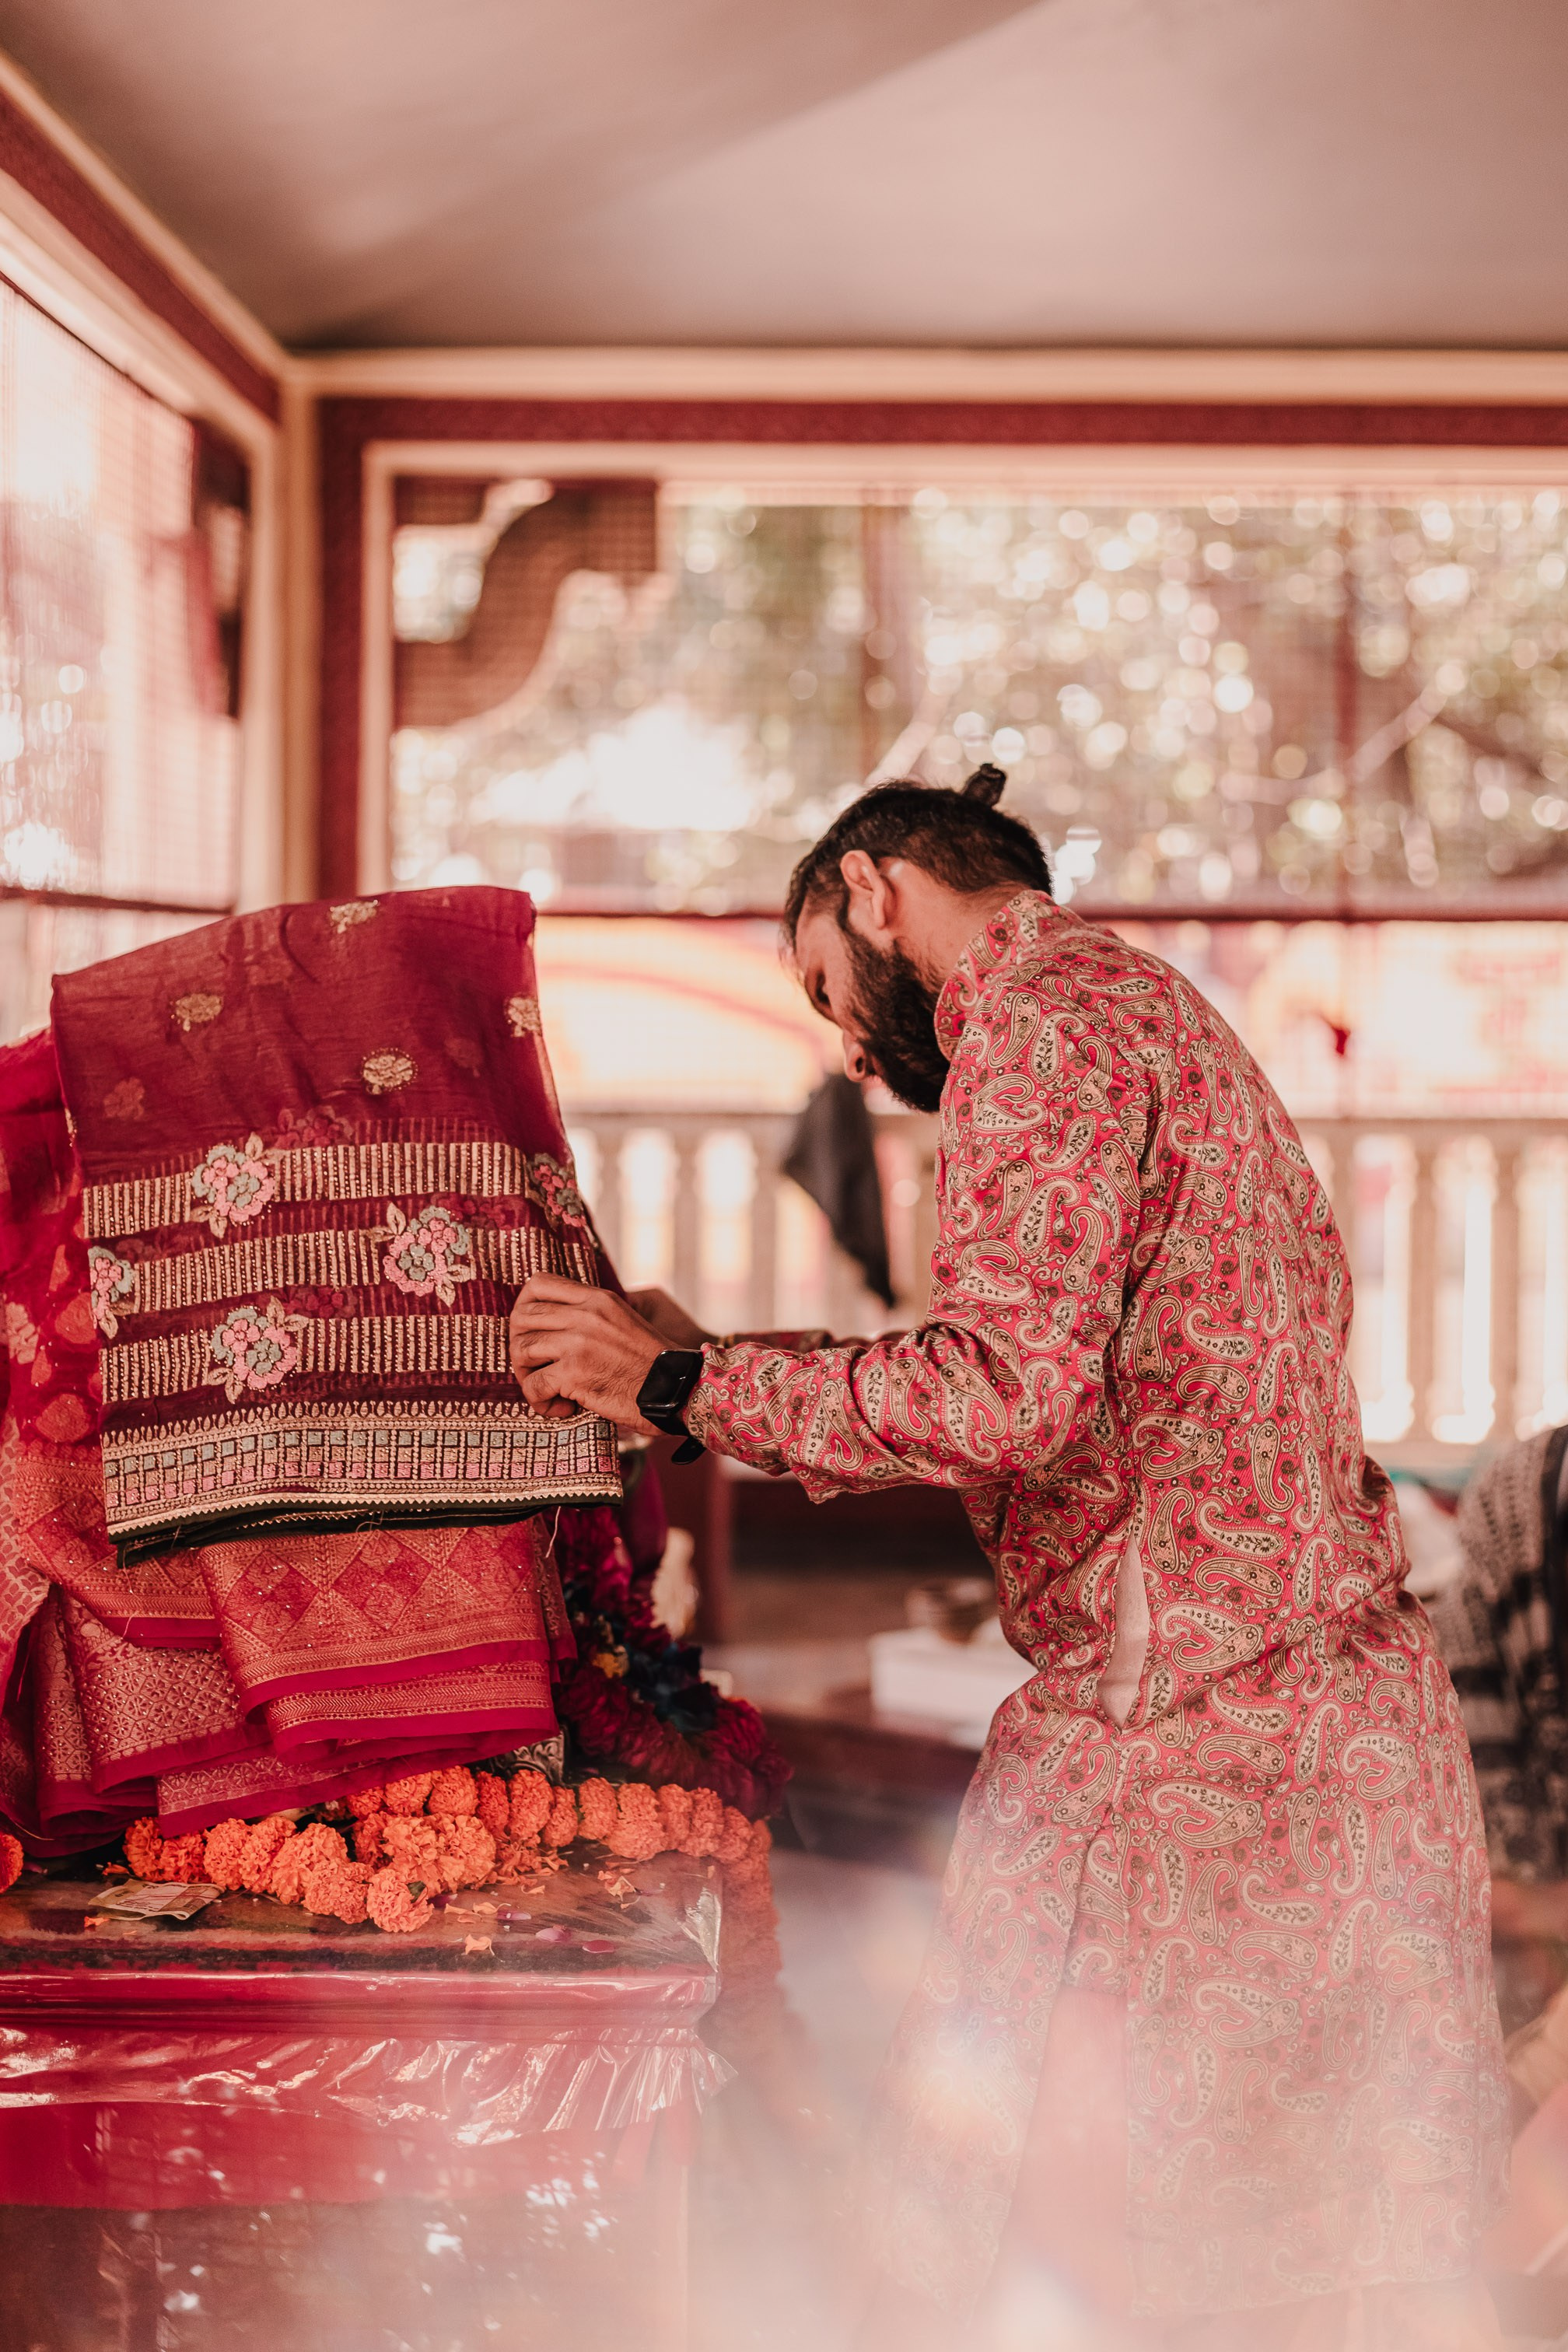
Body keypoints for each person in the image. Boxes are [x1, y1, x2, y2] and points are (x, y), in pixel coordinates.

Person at [509, 768, 1509, 2348]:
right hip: (1326, 1737)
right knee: (1295, 2282)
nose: (848, 1045)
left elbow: (1004, 1395)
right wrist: (720, 1367)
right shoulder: (1145, 1004)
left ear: (874, 889)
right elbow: (1040, 1365)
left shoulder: (1034, 1030)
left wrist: (682, 1389)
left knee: (1040, 2264)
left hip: (1198, 1760)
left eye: (829, 988)